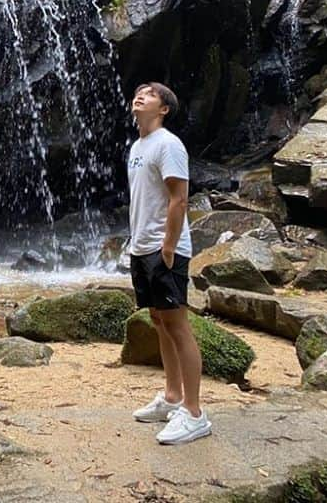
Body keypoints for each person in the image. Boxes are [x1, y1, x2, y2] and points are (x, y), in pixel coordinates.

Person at [127, 82, 210, 445]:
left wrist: (169, 246)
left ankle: (194, 413)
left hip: (166, 250)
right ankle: (172, 396)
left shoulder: (169, 144)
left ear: (163, 109)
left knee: (176, 324)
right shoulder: (137, 146)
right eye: (138, 91)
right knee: (159, 320)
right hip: (143, 247)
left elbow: (179, 198)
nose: (140, 95)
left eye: (150, 93)